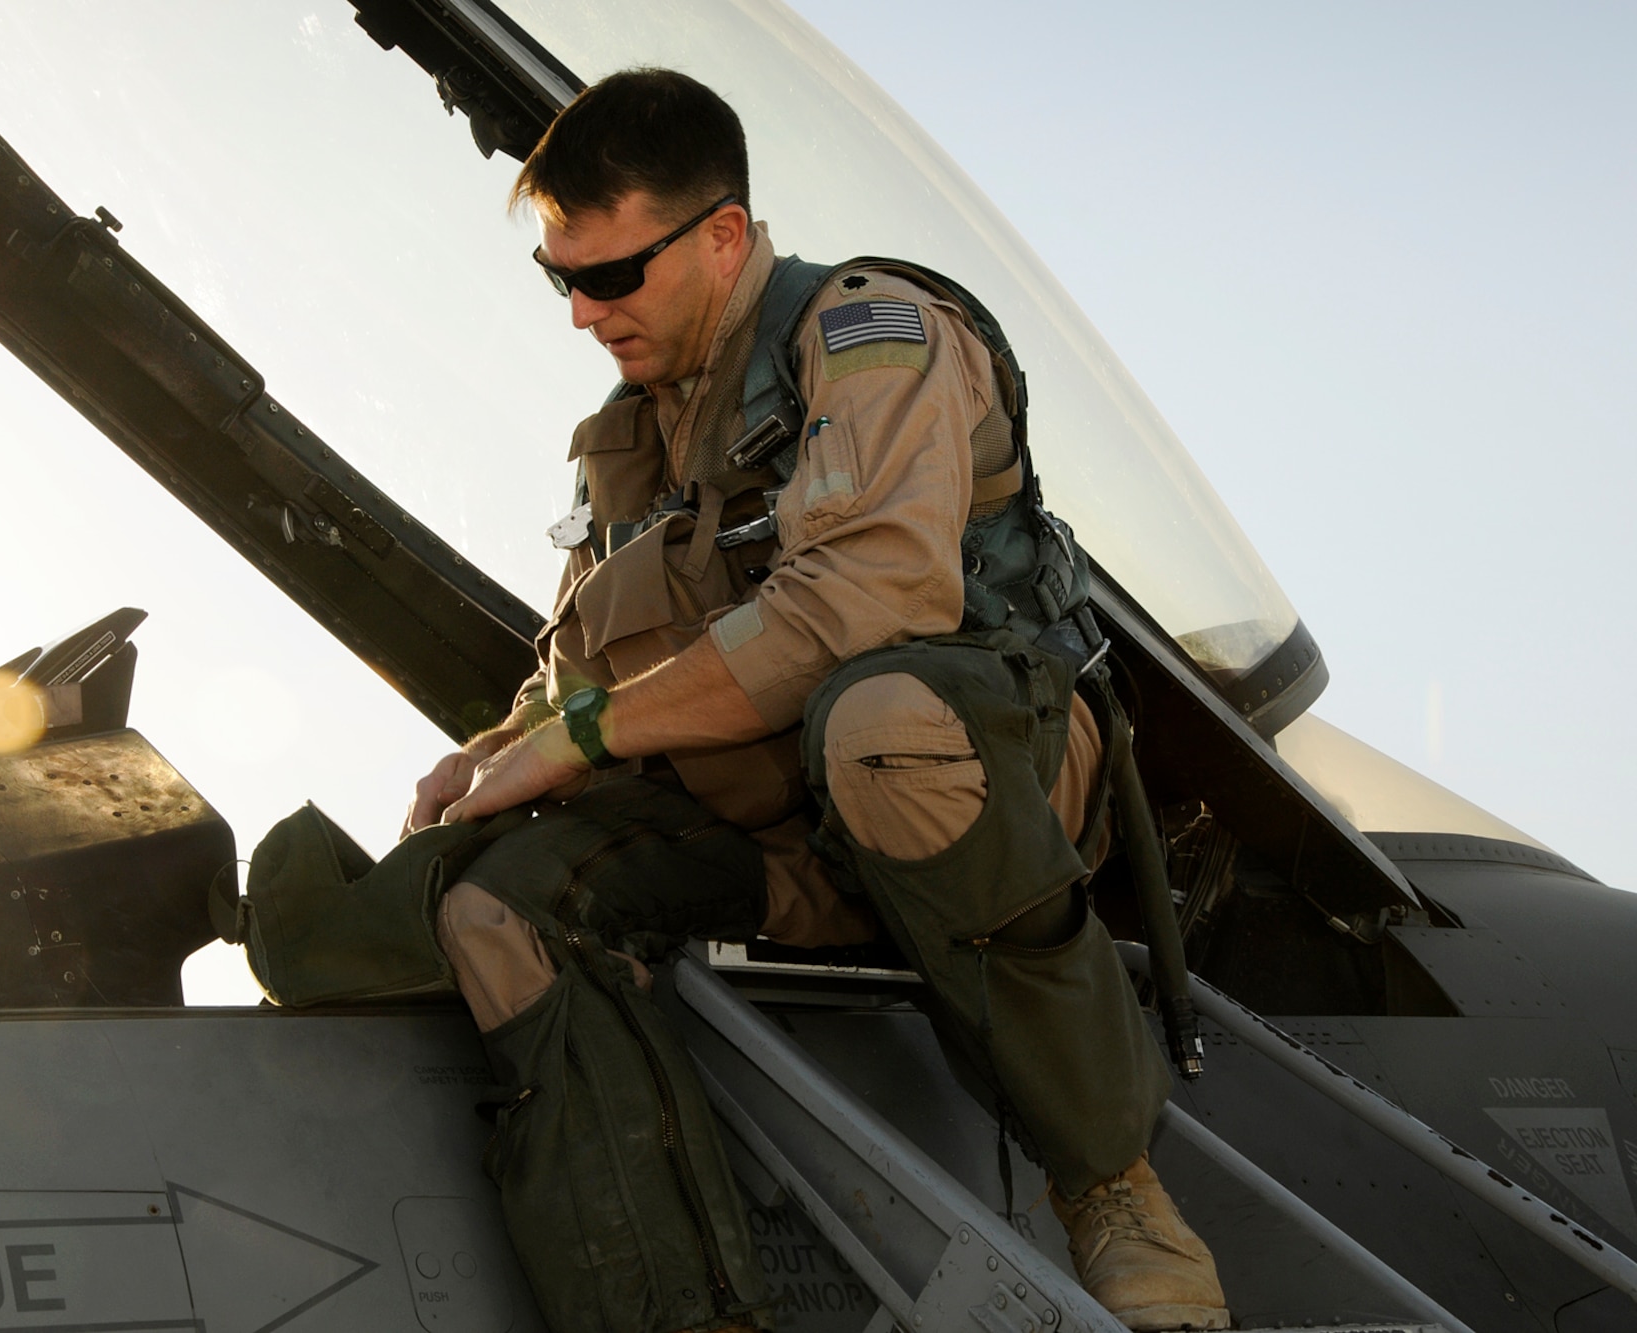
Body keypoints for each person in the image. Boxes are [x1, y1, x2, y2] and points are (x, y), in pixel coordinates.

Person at [401, 68, 1229, 1333]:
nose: (579, 312)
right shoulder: (629, 439)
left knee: (881, 726)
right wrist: (497, 748)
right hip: (788, 821)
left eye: (610, 275)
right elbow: (579, 669)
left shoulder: (867, 338)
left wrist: (572, 739)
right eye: (559, 278)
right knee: (494, 901)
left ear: (721, 237)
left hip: (984, 774)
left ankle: (1111, 1186)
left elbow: (868, 597)